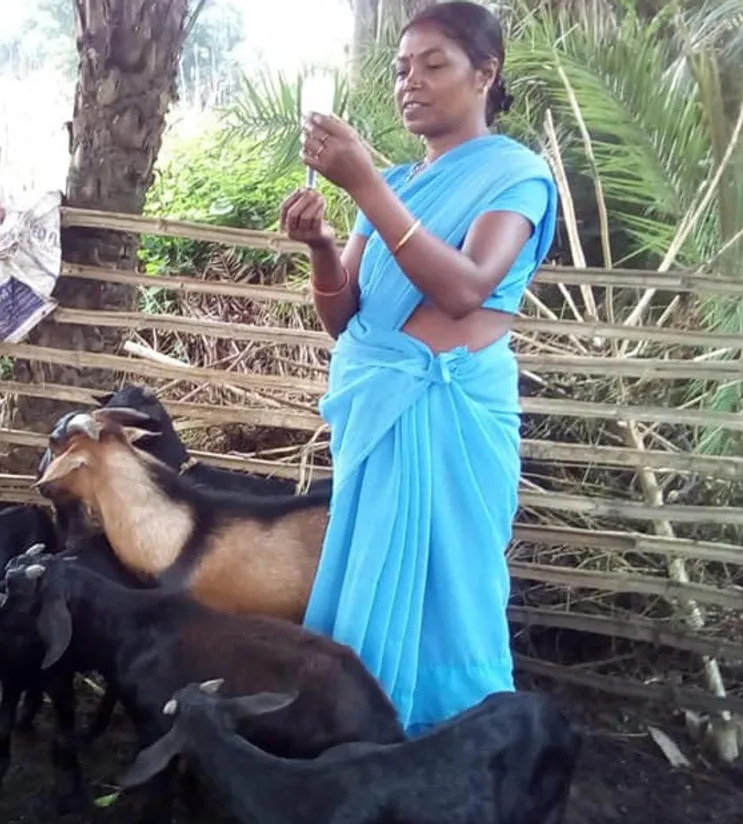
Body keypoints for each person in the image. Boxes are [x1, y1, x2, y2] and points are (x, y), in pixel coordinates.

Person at [282, 1, 559, 737]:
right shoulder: (397, 184)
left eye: (434, 65)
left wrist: (366, 185)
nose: (412, 81)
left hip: (452, 414)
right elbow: (347, 319)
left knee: (452, 589)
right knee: (370, 571)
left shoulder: (517, 176)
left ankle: (457, 745)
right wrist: (320, 245)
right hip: (380, 408)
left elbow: (467, 288)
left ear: (485, 73)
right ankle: (363, 738)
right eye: (402, 68)